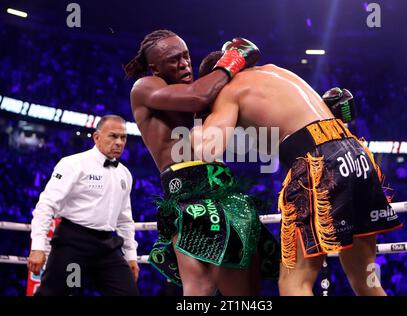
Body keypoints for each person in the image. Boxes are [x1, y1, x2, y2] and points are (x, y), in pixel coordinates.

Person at [192, 51, 403, 296]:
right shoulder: (275, 72)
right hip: (356, 154)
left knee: (294, 283)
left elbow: (206, 151)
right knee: (365, 280)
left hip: (318, 163)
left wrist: (200, 116)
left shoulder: (228, 91)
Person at [124, 30, 279, 295]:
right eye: (174, 60)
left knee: (247, 288)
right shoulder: (146, 87)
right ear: (155, 68)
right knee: (201, 287)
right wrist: (232, 60)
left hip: (226, 190)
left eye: (185, 56)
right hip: (187, 193)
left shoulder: (206, 90)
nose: (184, 63)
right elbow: (197, 97)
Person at [28, 115, 139, 296]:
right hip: (73, 243)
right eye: (113, 136)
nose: (119, 142)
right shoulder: (73, 164)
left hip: (107, 247)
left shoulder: (124, 174)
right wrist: (38, 246)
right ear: (97, 137)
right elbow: (46, 205)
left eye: (123, 137)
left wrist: (131, 255)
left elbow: (124, 219)